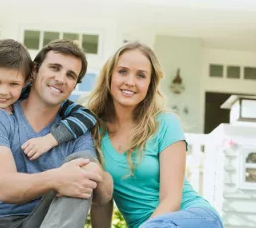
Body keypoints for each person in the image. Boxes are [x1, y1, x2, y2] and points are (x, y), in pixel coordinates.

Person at [0, 39, 113, 228]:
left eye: (71, 75)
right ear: (33, 71)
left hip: (40, 221)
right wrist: (58, 178)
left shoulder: (77, 130)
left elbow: (101, 191)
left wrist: (98, 175)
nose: (61, 79)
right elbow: (5, 189)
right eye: (54, 68)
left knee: (83, 166)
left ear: (74, 85)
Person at [88, 41, 224, 228]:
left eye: (141, 75)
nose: (130, 82)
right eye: (122, 71)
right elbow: (102, 197)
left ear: (150, 84)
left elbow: (171, 200)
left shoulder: (166, 124)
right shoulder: (95, 130)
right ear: (109, 76)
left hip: (192, 218)